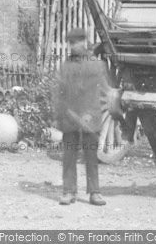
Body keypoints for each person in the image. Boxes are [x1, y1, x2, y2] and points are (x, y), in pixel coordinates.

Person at [52, 28, 112, 206]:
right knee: (69, 155)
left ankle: (94, 192)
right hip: (70, 117)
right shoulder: (65, 67)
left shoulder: (96, 65)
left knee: (91, 157)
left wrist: (92, 114)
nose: (73, 46)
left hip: (90, 118)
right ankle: (69, 191)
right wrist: (58, 115)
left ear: (84, 42)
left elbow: (104, 91)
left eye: (77, 42)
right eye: (70, 43)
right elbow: (59, 92)